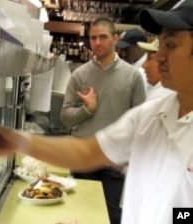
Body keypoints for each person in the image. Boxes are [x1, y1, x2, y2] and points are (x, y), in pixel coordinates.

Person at [0, 0, 193, 223]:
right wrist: (14, 140)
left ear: (114, 39)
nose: (158, 57)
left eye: (170, 45)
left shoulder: (133, 80)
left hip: (115, 171)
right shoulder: (155, 112)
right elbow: (88, 150)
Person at [60, 17, 146, 224]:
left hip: (114, 162)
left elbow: (141, 122)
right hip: (83, 158)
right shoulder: (79, 75)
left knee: (112, 217)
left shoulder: (132, 76)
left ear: (115, 38)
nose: (97, 43)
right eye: (93, 38)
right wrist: (87, 110)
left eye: (103, 37)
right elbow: (65, 118)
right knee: (81, 215)